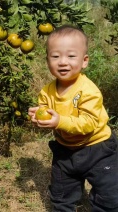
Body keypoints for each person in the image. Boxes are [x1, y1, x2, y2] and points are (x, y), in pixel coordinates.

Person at [28, 25, 118, 212]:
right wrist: (39, 120)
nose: (62, 62)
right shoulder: (46, 92)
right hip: (65, 151)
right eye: (55, 56)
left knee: (109, 196)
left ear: (84, 61)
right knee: (61, 196)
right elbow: (48, 117)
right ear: (47, 61)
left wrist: (59, 121)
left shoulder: (89, 90)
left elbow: (89, 123)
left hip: (98, 149)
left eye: (71, 56)